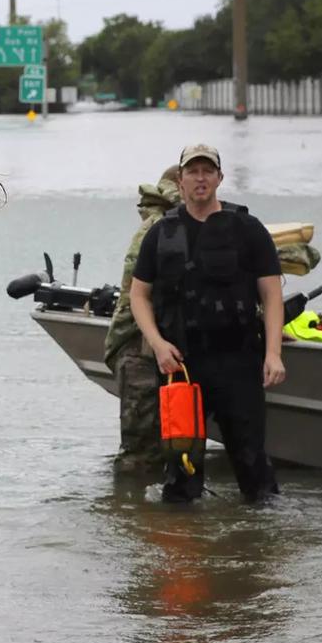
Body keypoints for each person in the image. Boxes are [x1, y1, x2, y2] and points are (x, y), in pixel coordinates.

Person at [129, 144, 285, 503]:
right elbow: (139, 296)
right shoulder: (161, 233)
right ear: (180, 180)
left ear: (219, 178)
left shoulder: (248, 229)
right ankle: (184, 549)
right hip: (181, 366)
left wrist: (273, 354)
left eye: (207, 171)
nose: (201, 178)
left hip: (239, 361)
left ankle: (260, 548)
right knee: (181, 469)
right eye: (193, 172)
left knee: (254, 470)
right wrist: (156, 344)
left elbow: (272, 295)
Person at [103, 165, 180, 472]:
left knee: (170, 445)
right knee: (141, 452)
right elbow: (139, 295)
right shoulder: (157, 229)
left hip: (159, 348)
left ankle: (146, 515)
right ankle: (131, 513)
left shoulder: (171, 226)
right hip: (138, 349)